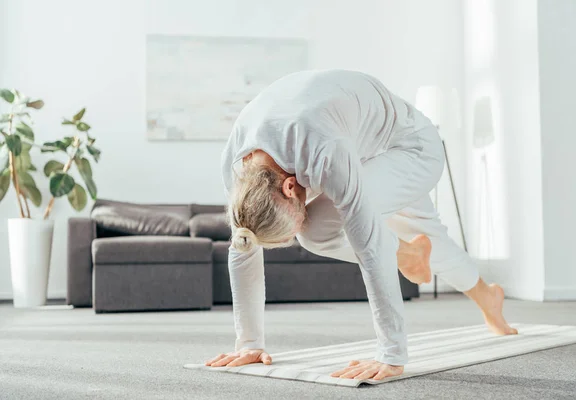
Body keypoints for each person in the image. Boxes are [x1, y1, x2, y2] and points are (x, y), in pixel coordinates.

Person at [205, 69, 517, 381]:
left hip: (412, 150)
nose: (298, 222)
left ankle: (408, 255)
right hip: (365, 148)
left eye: (294, 218)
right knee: (431, 237)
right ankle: (487, 296)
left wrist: (391, 354)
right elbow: (243, 247)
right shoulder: (238, 166)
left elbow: (370, 247)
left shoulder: (323, 149)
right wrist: (249, 344)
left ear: (289, 188)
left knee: (314, 232)